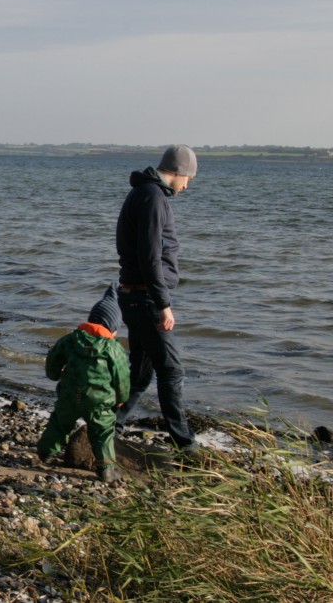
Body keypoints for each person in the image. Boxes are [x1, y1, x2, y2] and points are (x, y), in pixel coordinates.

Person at [114, 144, 198, 452]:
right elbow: (150, 257)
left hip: (136, 295)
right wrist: (163, 304)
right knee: (172, 371)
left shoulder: (146, 194)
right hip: (145, 298)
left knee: (140, 374)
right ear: (176, 172)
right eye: (188, 177)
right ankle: (186, 446)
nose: (188, 185)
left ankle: (108, 428)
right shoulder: (152, 197)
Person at [37, 283, 130, 483]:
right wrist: (122, 398)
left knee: (60, 423)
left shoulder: (71, 339)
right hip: (100, 400)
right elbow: (122, 376)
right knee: (103, 432)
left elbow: (53, 359)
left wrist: (54, 375)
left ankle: (46, 452)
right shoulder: (113, 348)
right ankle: (106, 468)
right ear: (113, 328)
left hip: (69, 394)